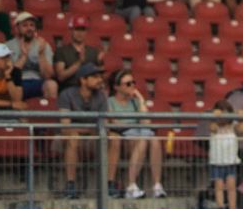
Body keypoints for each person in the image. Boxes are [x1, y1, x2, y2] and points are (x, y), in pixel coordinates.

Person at [106, 69, 165, 200]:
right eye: (128, 84)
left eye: (133, 82)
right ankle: (131, 185)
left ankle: (157, 185)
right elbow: (115, 123)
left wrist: (141, 99)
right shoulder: (109, 101)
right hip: (123, 136)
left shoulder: (135, 102)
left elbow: (146, 122)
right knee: (143, 139)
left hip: (138, 134)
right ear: (116, 87)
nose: (132, 86)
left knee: (154, 140)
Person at [57, 63, 109, 198]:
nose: (100, 80)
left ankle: (110, 184)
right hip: (66, 139)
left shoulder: (101, 96)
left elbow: (104, 125)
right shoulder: (66, 94)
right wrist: (89, 129)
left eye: (100, 76)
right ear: (83, 80)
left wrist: (88, 131)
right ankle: (70, 185)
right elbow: (65, 127)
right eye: (95, 77)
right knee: (73, 137)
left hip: (92, 138)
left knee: (112, 138)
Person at [6, 12, 56, 100]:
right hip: (17, 83)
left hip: (38, 81)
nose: (29, 28)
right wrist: (24, 56)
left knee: (52, 85)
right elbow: (9, 74)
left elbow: (48, 75)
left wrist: (41, 54)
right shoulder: (8, 46)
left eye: (32, 25)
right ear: (17, 28)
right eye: (25, 25)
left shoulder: (43, 44)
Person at [208, 100, 241, 209]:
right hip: (217, 160)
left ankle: (232, 207)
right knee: (219, 185)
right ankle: (220, 206)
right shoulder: (214, 125)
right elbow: (212, 128)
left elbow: (242, 129)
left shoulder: (233, 125)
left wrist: (241, 118)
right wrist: (214, 117)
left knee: (231, 185)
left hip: (230, 160)